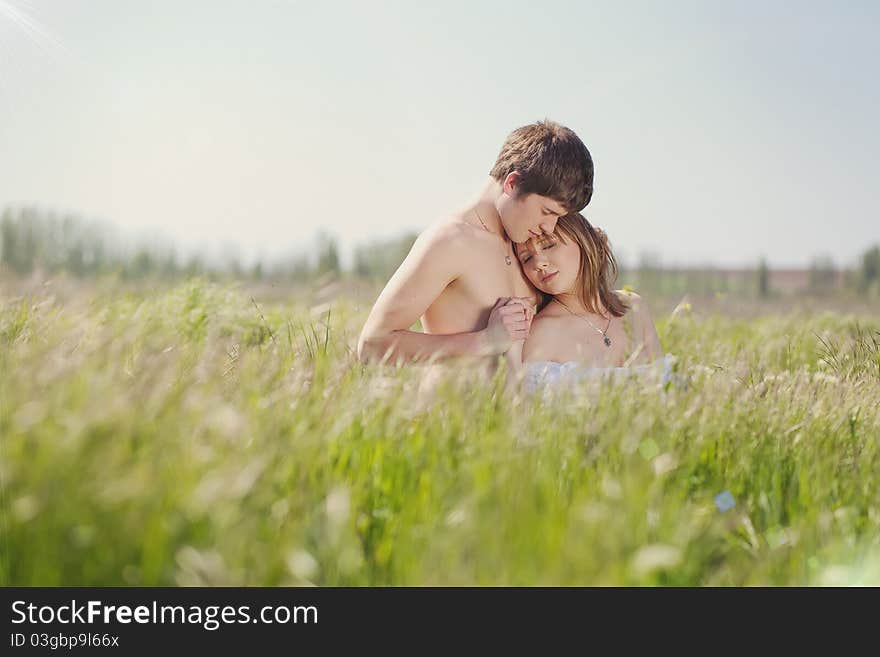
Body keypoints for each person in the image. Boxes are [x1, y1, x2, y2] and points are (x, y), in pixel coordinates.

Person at [357, 119, 594, 367]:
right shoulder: (451, 241)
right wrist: (485, 341)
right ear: (512, 184)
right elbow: (372, 345)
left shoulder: (525, 247)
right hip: (452, 405)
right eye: (547, 211)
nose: (550, 227)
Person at [505, 212, 674, 392]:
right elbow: (521, 411)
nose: (538, 263)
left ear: (583, 240)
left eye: (549, 245)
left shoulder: (633, 307)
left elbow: (664, 393)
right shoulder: (539, 334)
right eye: (527, 258)